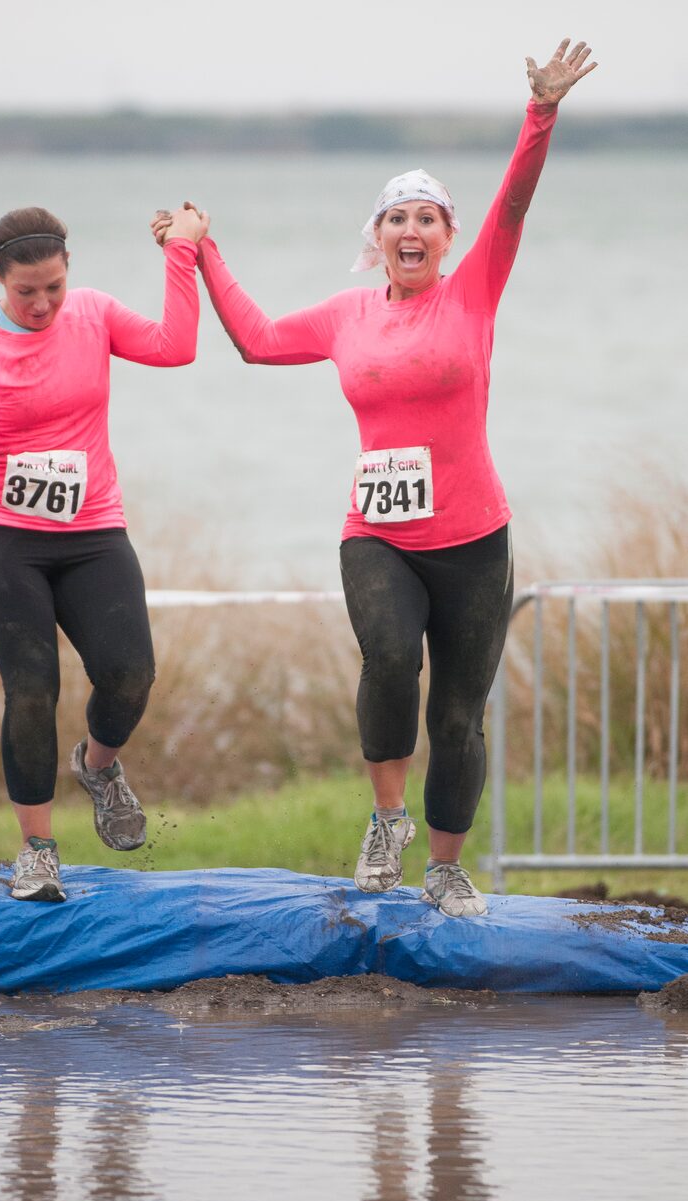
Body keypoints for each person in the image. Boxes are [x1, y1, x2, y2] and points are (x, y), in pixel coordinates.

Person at [152, 40, 597, 917]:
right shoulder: (348, 315)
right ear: (378, 238)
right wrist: (203, 254)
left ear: (446, 237)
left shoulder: (473, 294)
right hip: (379, 534)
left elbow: (513, 203)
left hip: (474, 539)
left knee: (460, 716)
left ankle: (445, 866)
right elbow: (259, 339)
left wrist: (540, 111)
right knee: (390, 658)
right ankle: (386, 821)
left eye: (428, 219)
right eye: (397, 220)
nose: (412, 232)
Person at [0, 202, 208, 902]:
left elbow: (175, 345)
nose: (42, 303)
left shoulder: (95, 314)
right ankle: (38, 851)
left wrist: (182, 254)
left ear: (69, 269)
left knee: (131, 674)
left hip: (91, 531)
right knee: (33, 685)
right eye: (25, 292)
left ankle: (99, 768)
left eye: (53, 287)